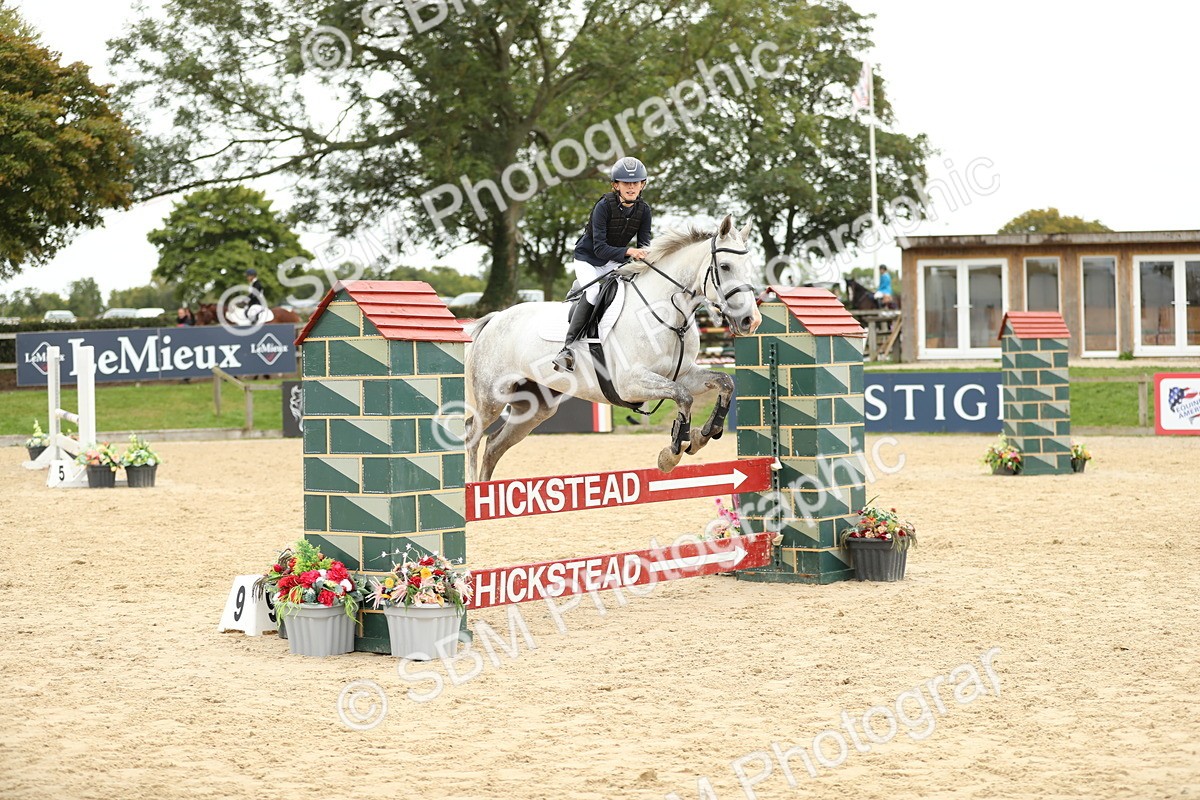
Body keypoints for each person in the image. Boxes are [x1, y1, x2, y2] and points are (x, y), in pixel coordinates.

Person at [551, 156, 653, 372]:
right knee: (594, 292)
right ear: (616, 185)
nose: (631, 187)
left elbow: (645, 243)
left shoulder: (644, 211)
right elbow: (599, 248)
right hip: (589, 259)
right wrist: (630, 251)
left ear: (642, 185)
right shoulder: (603, 206)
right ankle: (567, 349)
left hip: (614, 262)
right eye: (626, 183)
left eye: (635, 183)